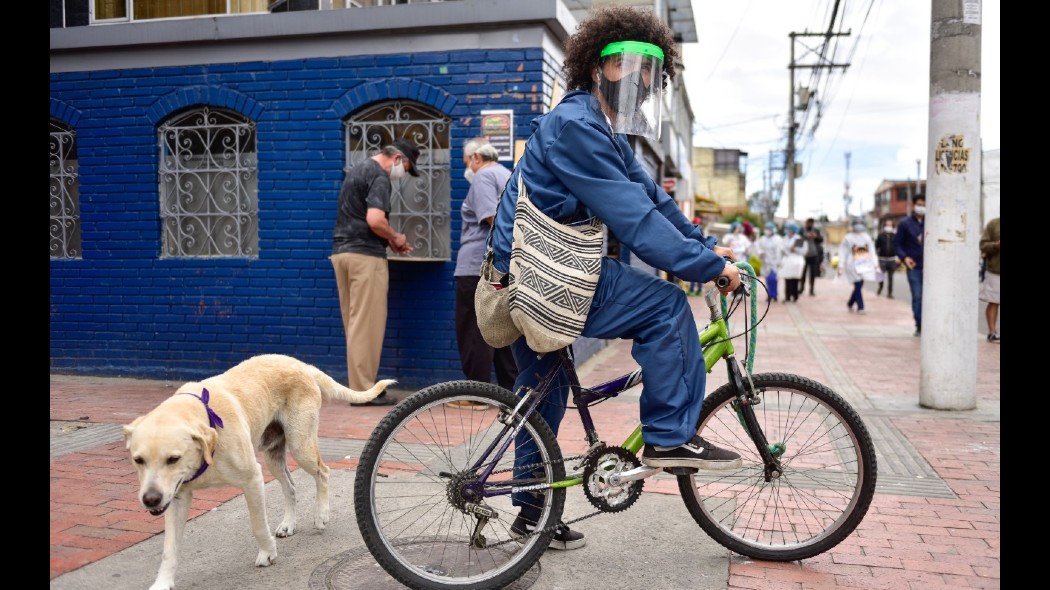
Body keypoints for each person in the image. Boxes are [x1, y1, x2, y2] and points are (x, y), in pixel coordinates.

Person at [484, 5, 742, 550]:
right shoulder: (576, 125)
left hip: (532, 273)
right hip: (541, 275)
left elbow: (654, 201)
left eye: (651, 69)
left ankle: (531, 515)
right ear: (597, 65)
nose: (641, 79)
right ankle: (670, 438)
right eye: (627, 64)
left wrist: (706, 247)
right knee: (667, 307)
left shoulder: (605, 131)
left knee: (541, 396)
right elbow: (637, 221)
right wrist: (706, 269)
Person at [330, 138, 419, 406]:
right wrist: (396, 237)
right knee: (367, 326)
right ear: (397, 159)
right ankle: (363, 391)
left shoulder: (357, 169)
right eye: (406, 167)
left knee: (355, 325)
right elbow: (375, 219)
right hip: (365, 257)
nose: (403, 173)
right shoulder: (379, 176)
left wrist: (388, 239)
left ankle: (359, 387)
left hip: (342, 253)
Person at [450, 141, 519, 409]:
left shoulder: (483, 177)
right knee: (501, 328)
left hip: (476, 265)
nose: (467, 166)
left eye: (467, 160)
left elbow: (491, 217)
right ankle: (509, 394)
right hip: (502, 266)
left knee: (473, 329)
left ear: (476, 157)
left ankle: (477, 394)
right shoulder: (508, 175)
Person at [894, 195, 925, 336]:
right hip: (914, 267)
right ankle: (920, 325)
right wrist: (905, 258)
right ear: (913, 205)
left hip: (932, 268)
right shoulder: (905, 223)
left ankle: (929, 323)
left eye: (924, 204)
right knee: (917, 295)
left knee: (931, 297)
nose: (921, 207)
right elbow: (897, 244)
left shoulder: (932, 222)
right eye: (919, 204)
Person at [839, 218, 878, 314]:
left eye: (860, 223)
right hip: (851, 263)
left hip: (863, 263)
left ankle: (850, 302)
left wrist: (875, 262)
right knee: (857, 284)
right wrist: (841, 265)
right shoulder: (848, 238)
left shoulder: (867, 237)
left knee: (859, 285)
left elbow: (872, 251)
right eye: (856, 223)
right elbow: (842, 252)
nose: (858, 225)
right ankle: (861, 307)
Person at [979, 217, 1000, 342]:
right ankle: (992, 332)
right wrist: (996, 245)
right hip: (996, 270)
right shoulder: (993, 224)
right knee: (993, 301)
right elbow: (983, 246)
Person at [755, 221, 782, 302]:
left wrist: (778, 261)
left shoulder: (778, 239)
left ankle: (774, 295)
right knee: (768, 279)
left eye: (769, 229)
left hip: (774, 262)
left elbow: (779, 251)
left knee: (774, 279)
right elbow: (758, 248)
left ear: (773, 230)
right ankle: (769, 295)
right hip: (766, 262)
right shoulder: (762, 239)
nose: (768, 230)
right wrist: (760, 253)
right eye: (766, 229)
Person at [779, 222, 806, 302]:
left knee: (795, 280)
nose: (788, 232)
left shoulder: (798, 238)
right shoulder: (784, 238)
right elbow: (782, 248)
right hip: (788, 260)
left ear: (793, 231)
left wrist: (795, 249)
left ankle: (795, 296)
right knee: (787, 279)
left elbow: (803, 251)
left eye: (789, 230)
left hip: (797, 261)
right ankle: (787, 297)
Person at [799, 218, 824, 296]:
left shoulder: (816, 230)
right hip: (804, 255)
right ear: (806, 223)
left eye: (811, 223)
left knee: (813, 273)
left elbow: (821, 240)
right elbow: (798, 241)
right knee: (802, 273)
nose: (809, 225)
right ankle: (801, 288)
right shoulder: (802, 230)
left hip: (814, 255)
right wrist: (806, 237)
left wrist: (815, 236)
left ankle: (811, 290)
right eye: (808, 223)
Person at [874, 219, 897, 298]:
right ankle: (880, 287)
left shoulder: (895, 236)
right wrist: (876, 255)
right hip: (882, 259)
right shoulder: (880, 236)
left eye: (890, 225)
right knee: (881, 276)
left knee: (891, 278)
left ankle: (889, 293)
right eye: (887, 225)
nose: (888, 227)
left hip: (892, 259)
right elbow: (876, 246)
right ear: (884, 227)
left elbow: (897, 247)